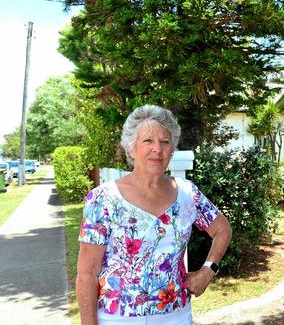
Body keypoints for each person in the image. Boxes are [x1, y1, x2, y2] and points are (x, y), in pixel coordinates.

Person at [76, 105, 232, 325]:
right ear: (132, 148)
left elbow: (223, 230)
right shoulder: (102, 199)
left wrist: (209, 270)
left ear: (172, 149)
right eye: (148, 141)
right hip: (116, 319)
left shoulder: (188, 194)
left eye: (165, 142)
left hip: (176, 316)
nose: (157, 149)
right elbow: (87, 273)